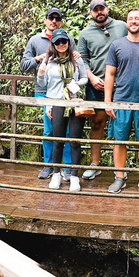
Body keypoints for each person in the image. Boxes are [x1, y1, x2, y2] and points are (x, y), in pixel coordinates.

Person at [104, 8, 139, 194]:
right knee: (120, 141)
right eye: (130, 18)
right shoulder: (117, 45)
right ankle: (119, 177)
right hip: (121, 100)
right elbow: (110, 74)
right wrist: (108, 101)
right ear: (127, 22)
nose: (133, 21)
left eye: (137, 18)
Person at [20, 7, 77, 179]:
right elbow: (23, 65)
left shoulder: (68, 39)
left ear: (61, 21)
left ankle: (66, 166)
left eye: (57, 18)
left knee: (65, 130)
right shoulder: (36, 40)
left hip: (65, 92)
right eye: (50, 18)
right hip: (44, 91)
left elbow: (75, 60)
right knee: (49, 129)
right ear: (45, 20)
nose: (54, 21)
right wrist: (40, 58)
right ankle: (49, 165)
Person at [77, 0, 128, 180]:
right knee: (98, 122)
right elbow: (82, 58)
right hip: (96, 85)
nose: (99, 12)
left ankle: (120, 169)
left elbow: (135, 41)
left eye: (102, 8)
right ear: (91, 13)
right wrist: (90, 77)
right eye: (95, 10)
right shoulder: (85, 33)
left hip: (121, 85)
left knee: (122, 125)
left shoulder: (122, 26)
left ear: (107, 9)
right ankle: (95, 163)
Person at [35, 29, 88, 192]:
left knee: (74, 141)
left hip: (74, 102)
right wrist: (41, 74)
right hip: (57, 102)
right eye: (57, 42)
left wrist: (76, 84)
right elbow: (44, 85)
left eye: (63, 41)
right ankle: (56, 174)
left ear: (68, 42)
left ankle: (74, 176)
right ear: (53, 44)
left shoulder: (76, 60)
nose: (61, 44)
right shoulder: (49, 61)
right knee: (57, 140)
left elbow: (85, 78)